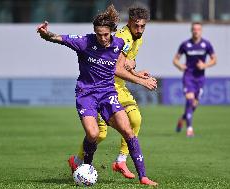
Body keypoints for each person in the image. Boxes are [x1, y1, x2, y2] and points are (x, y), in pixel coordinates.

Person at [37, 4, 158, 186]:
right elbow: (57, 38)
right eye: (99, 34)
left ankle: (143, 177)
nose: (102, 38)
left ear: (111, 32)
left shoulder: (118, 43)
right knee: (93, 134)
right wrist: (46, 34)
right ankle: (86, 166)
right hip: (86, 94)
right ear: (94, 32)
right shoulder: (84, 42)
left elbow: (122, 66)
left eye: (106, 34)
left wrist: (137, 72)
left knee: (128, 130)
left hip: (108, 93)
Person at [68, 6, 154, 180]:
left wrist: (136, 71)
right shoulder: (123, 38)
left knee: (133, 120)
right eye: (136, 26)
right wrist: (141, 80)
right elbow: (116, 68)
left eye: (142, 26)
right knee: (99, 133)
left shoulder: (137, 38)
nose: (140, 29)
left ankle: (120, 160)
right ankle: (79, 161)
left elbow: (125, 62)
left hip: (118, 87)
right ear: (129, 22)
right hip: (107, 87)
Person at [173, 22, 217, 137]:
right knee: (189, 100)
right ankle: (189, 129)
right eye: (194, 29)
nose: (196, 31)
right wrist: (180, 66)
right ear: (191, 30)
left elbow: (214, 59)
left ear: (201, 31)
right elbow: (175, 59)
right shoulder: (185, 44)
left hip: (200, 78)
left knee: (194, 105)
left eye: (198, 29)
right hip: (188, 77)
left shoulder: (206, 44)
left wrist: (205, 65)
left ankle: (182, 119)